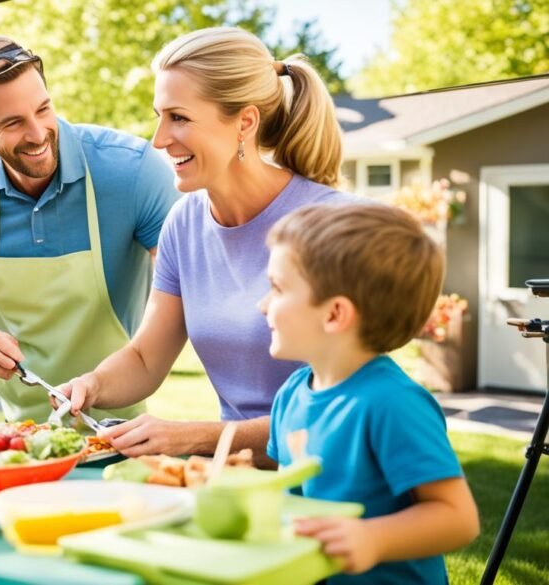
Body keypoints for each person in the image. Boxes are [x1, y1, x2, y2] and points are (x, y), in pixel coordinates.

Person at [61, 27, 355, 461]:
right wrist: (93, 384)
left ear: (245, 122)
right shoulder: (184, 222)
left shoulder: (333, 226)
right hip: (232, 483)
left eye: (178, 118)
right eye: (159, 116)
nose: (159, 140)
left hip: (329, 489)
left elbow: (344, 410)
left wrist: (198, 437)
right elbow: (145, 357)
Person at [0, 35, 181, 423]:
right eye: (13, 123)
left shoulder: (132, 171)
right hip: (17, 440)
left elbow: (191, 293)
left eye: (43, 109)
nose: (38, 133)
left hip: (121, 429)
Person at [261, 203, 479, 582]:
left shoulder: (392, 404)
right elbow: (288, 497)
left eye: (277, 289)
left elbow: (458, 518)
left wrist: (372, 539)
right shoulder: (293, 393)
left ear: (334, 314)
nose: (262, 304)